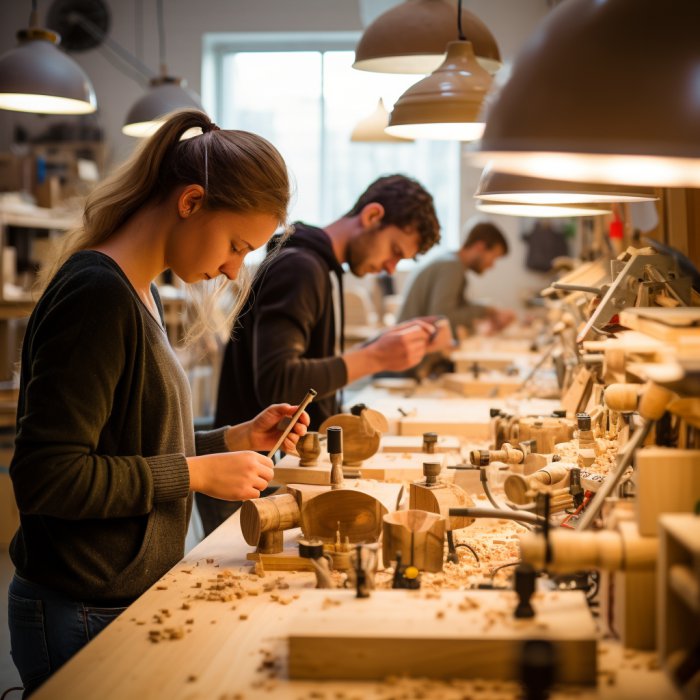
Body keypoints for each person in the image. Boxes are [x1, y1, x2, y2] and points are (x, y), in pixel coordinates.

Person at [7, 109, 309, 697]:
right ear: (191, 202)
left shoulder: (138, 290)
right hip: (80, 609)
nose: (231, 267)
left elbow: (130, 447)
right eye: (234, 245)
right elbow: (49, 478)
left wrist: (230, 441)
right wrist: (198, 473)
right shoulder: (97, 295)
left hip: (115, 598)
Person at [196, 174, 442, 535]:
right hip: (250, 480)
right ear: (373, 216)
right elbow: (280, 381)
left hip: (270, 470)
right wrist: (375, 357)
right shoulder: (300, 267)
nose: (391, 268)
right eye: (394, 251)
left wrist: (376, 350)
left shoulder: (318, 267)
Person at [397, 218, 515, 337]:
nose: (492, 265)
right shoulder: (451, 267)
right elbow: (441, 317)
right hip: (411, 349)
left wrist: (489, 310)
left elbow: (451, 310)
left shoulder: (451, 263)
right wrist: (485, 311)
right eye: (493, 257)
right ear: (480, 246)